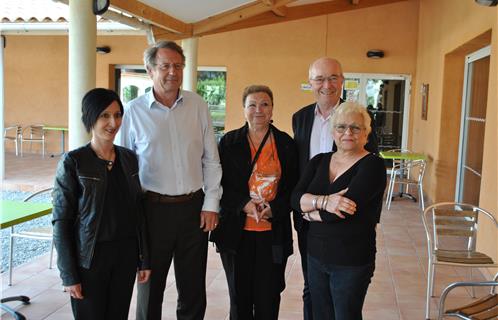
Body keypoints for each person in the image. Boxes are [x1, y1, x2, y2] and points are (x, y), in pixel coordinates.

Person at [116, 40, 222, 320]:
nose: (172, 72)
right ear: (150, 70)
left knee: (193, 288)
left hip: (193, 210)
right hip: (152, 211)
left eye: (177, 66)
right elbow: (124, 168)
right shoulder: (133, 111)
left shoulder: (197, 105)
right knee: (150, 287)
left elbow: (211, 158)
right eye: (165, 66)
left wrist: (211, 203)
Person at [52, 88, 151, 320]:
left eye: (117, 115)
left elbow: (138, 212)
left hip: (125, 256)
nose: (113, 122)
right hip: (90, 259)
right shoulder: (74, 162)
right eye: (104, 115)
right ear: (90, 118)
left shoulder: (128, 158)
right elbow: (61, 221)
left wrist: (143, 258)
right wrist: (69, 274)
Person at [291, 57, 378, 319]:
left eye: (332, 78)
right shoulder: (301, 118)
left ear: (342, 80)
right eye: (319, 79)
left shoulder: (358, 117)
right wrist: (311, 206)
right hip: (308, 219)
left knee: (343, 305)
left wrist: (312, 209)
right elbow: (298, 178)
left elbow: (365, 179)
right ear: (310, 83)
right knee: (312, 288)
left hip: (346, 224)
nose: (326, 85)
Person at [210, 85, 297, 319]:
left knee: (268, 296)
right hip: (237, 232)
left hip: (272, 231)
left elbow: (294, 188)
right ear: (244, 109)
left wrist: (274, 209)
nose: (258, 110)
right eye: (252, 105)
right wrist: (243, 204)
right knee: (239, 297)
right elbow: (219, 184)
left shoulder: (286, 144)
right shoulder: (229, 142)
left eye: (264, 104)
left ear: (272, 109)